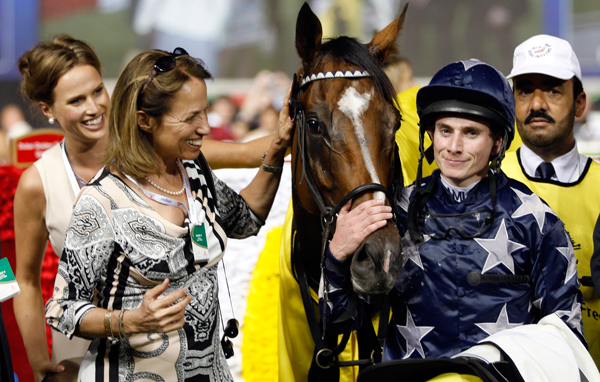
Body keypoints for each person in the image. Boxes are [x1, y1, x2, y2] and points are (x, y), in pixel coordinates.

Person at [320, 59, 596, 381]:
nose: (454, 147)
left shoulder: (537, 220)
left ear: (497, 143)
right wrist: (336, 257)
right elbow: (339, 325)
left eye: (471, 133)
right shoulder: (392, 215)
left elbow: (566, 341)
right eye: (445, 130)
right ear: (431, 135)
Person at [44, 47, 293, 381]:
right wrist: (131, 321)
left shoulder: (194, 172)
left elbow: (245, 219)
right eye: (190, 118)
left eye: (204, 112)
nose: (205, 127)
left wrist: (276, 151)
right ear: (144, 120)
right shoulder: (102, 201)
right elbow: (62, 308)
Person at [13, 34, 109, 382]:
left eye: (98, 91)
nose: (94, 107)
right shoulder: (37, 181)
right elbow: (24, 280)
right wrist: (41, 363)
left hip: (161, 339)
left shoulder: (145, 149)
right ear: (47, 110)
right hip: (78, 350)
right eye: (76, 100)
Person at [500, 34, 600, 368]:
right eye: (525, 90)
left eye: (553, 90)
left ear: (580, 104)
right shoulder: (485, 183)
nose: (537, 104)